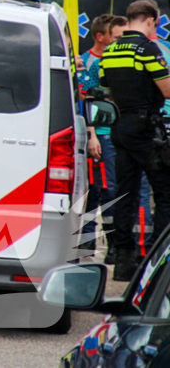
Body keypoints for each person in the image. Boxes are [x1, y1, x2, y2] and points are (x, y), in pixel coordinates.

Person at [100, 0, 170, 281]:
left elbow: (107, 88)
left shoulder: (111, 50)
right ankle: (157, 260)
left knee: (125, 195)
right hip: (146, 130)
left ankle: (124, 262)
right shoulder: (148, 49)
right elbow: (167, 90)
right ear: (152, 20)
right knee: (165, 194)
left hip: (120, 127)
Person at [79, 14, 120, 261]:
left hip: (114, 134)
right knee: (102, 191)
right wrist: (92, 135)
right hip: (101, 135)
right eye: (113, 37)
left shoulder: (115, 59)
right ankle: (97, 245)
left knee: (107, 190)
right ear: (100, 37)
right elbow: (87, 101)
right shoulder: (88, 62)